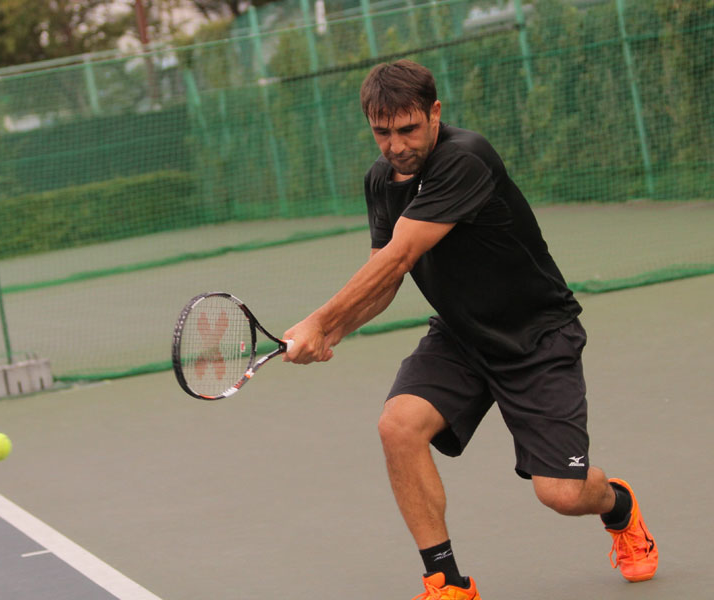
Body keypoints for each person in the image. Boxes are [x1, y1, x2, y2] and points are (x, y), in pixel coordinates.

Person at [282, 59, 658, 600]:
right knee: (398, 427)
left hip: (536, 337)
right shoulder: (381, 180)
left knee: (563, 494)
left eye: (408, 129)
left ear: (435, 113)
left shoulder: (465, 158)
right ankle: (448, 583)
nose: (396, 146)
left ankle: (618, 506)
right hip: (460, 336)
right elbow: (387, 275)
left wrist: (320, 321)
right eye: (382, 132)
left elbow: (400, 255)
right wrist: (334, 332)